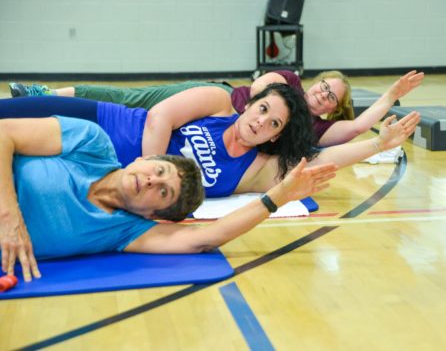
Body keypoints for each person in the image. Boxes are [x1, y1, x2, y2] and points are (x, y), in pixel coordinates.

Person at [0, 115, 338, 282]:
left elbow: (207, 237)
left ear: (154, 215)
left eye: (162, 192)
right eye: (158, 171)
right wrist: (8, 215)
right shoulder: (91, 142)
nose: (150, 180)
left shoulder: (123, 231)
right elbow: (4, 133)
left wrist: (277, 197)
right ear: (142, 159)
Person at [0, 83, 320, 198]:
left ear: (276, 135)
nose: (261, 121)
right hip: (105, 124)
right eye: (262, 108)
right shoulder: (219, 102)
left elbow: (324, 157)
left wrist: (374, 145)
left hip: (103, 174)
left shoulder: (253, 170)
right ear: (250, 104)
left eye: (273, 123)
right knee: (7, 116)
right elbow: (159, 116)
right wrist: (153, 166)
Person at [8, 70, 424, 146]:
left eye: (330, 97)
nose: (320, 95)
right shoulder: (290, 84)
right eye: (322, 87)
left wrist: (390, 96)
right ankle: (42, 92)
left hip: (207, 130)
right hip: (210, 98)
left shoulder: (312, 131)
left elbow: (355, 130)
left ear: (333, 110)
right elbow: (262, 86)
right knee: (124, 99)